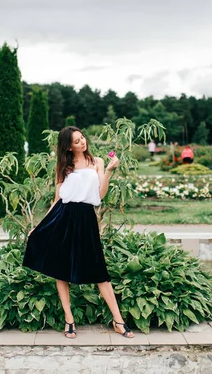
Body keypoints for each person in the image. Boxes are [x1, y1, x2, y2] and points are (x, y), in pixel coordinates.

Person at [23, 126, 134, 340]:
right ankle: (69, 319)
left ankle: (118, 320)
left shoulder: (98, 162)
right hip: (63, 216)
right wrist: (39, 225)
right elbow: (57, 199)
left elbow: (100, 195)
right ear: (68, 146)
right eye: (76, 141)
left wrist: (109, 172)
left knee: (100, 270)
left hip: (86, 217)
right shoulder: (64, 166)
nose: (82, 142)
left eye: (82, 138)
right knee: (61, 269)